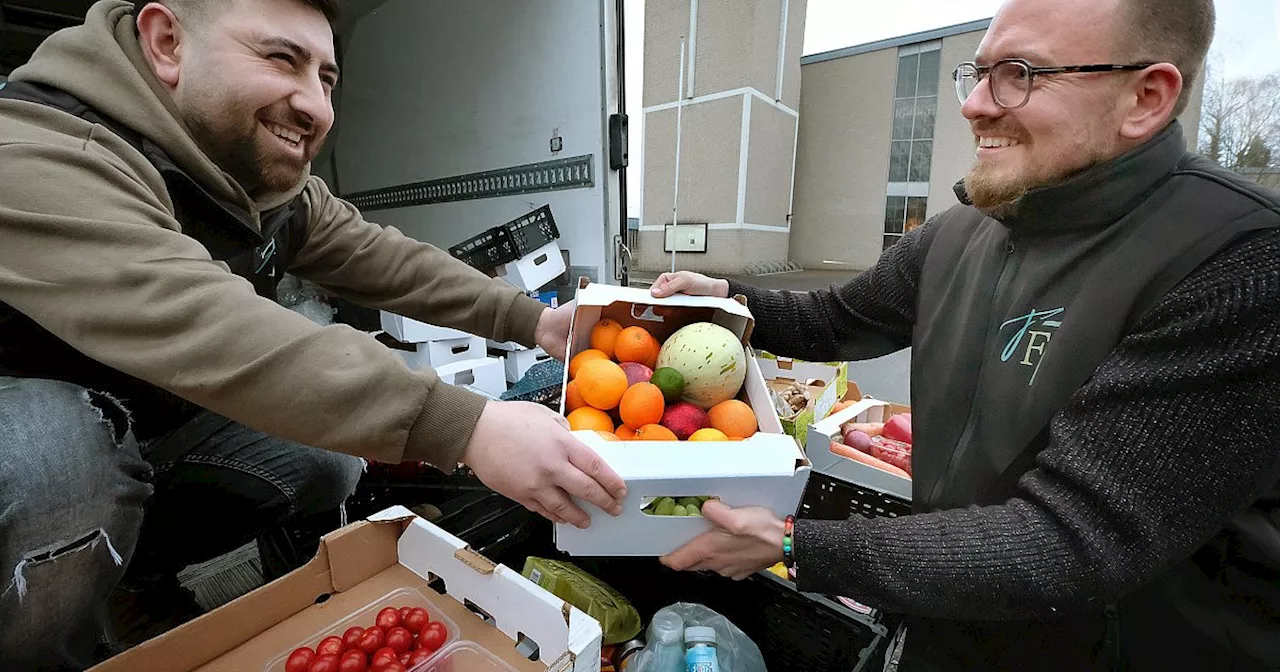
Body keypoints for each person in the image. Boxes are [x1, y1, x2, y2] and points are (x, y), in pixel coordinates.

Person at [653, 0, 1280, 669]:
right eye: (978, 73)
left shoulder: (1236, 262)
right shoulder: (965, 229)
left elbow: (1070, 542)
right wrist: (732, 300)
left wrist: (796, 544)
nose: (975, 104)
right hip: (947, 627)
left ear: (1145, 97)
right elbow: (838, 319)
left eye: (1019, 74)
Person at [0, 0, 626, 668]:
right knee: (61, 463)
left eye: (326, 78)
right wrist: (466, 426)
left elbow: (382, 258)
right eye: (280, 58)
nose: (316, 106)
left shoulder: (253, 179)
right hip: (42, 438)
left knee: (329, 462)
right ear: (167, 42)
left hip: (156, 420)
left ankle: (137, 582)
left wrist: (532, 319)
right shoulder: (39, 152)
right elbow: (206, 321)